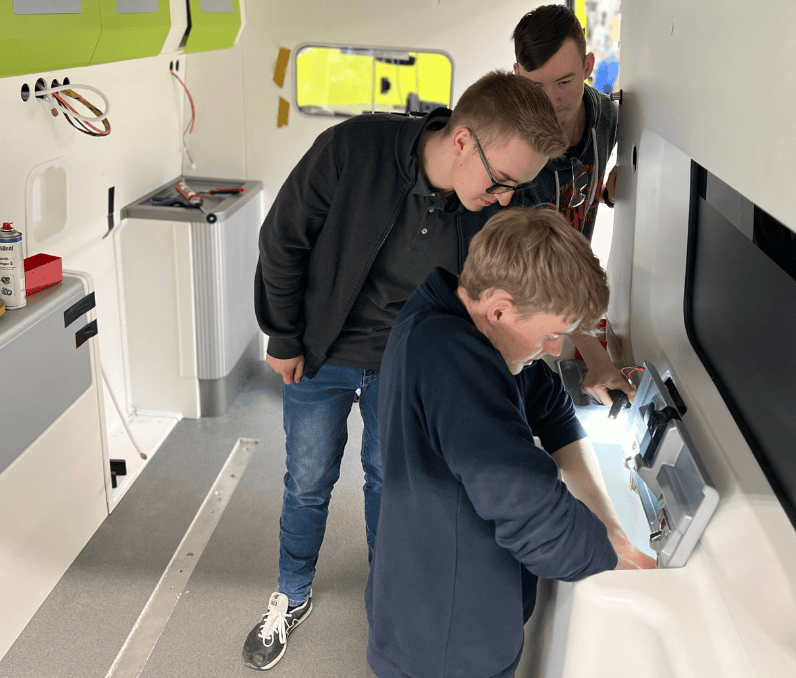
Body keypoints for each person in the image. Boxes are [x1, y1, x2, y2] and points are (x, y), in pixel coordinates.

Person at [243, 71, 568, 670]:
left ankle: (388, 596)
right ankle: (290, 593)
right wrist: (282, 333)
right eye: (501, 182)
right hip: (322, 352)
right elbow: (283, 239)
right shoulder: (352, 149)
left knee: (391, 486)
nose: (505, 199)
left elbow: (531, 290)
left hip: (409, 368)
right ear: (463, 141)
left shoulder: (505, 206)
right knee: (307, 481)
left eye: (516, 187)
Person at [366, 208, 656, 678]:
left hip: (432, 588)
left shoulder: (466, 318)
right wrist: (622, 565)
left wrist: (608, 524)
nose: (556, 349)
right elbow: (535, 518)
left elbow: (553, 410)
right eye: (552, 334)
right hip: (448, 636)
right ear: (500, 308)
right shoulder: (451, 361)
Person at [512, 4, 633, 406]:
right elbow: (539, 264)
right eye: (536, 87)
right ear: (517, 76)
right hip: (516, 300)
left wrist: (608, 194)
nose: (551, 99)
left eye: (564, 81)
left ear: (588, 67)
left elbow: (575, 190)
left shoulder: (608, 118)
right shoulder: (513, 149)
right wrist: (595, 355)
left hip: (566, 301)